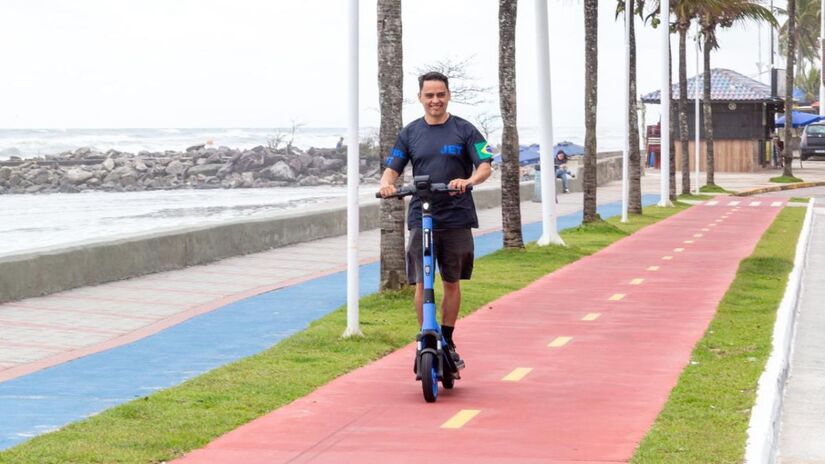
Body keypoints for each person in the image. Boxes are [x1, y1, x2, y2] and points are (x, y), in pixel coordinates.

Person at [378, 71, 493, 367]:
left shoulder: (466, 130)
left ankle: (448, 337)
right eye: (429, 95)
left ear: (448, 95)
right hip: (422, 215)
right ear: (420, 98)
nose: (435, 100)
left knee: (451, 282)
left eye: (440, 94)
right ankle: (425, 337)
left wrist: (468, 180)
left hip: (456, 216)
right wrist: (387, 184)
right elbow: (392, 168)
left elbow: (485, 165)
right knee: (422, 282)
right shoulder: (410, 133)